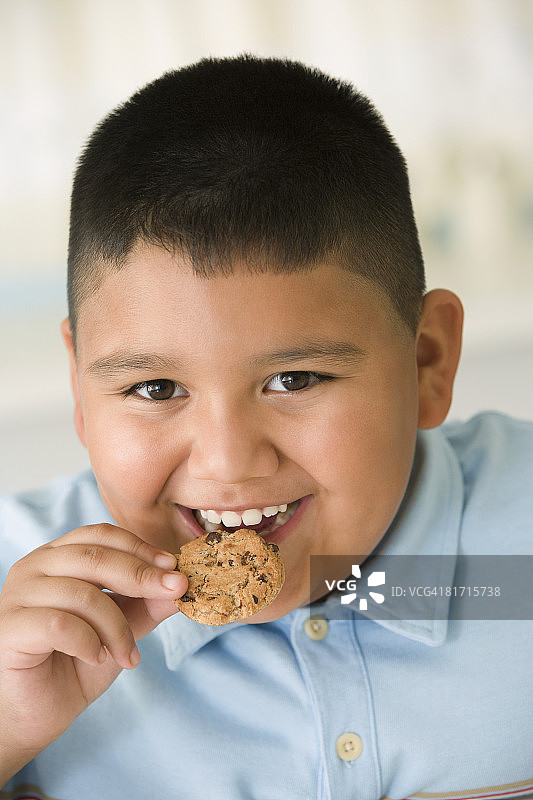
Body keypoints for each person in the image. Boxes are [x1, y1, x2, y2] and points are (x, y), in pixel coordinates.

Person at [0, 54, 532, 799]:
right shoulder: (15, 615)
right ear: (79, 389)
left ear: (426, 363)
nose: (226, 460)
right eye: (154, 387)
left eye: (294, 380)